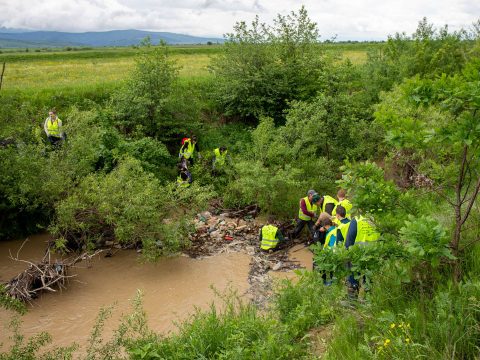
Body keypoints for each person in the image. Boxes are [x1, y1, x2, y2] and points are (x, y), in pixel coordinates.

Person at [344, 215, 380, 298]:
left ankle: (352, 297)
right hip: (374, 252)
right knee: (369, 277)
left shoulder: (357, 219)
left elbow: (350, 239)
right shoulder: (378, 218)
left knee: (352, 271)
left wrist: (346, 252)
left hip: (358, 253)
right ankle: (369, 299)